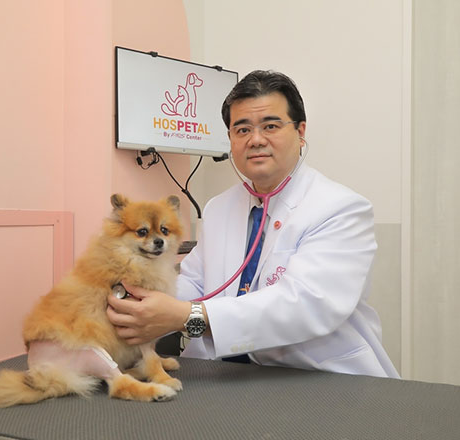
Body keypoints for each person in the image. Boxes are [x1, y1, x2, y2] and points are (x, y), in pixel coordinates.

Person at [107, 70, 400, 378]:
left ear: (300, 131)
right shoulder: (219, 208)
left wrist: (186, 316)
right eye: (242, 129)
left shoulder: (340, 208)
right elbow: (195, 283)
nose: (256, 140)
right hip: (224, 374)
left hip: (318, 376)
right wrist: (136, 297)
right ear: (230, 139)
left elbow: (304, 305)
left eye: (271, 126)